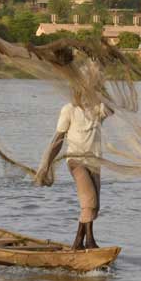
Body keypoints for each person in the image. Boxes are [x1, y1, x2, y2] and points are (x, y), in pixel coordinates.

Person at [45, 84, 111, 250]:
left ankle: (78, 242)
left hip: (94, 162)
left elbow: (112, 105)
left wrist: (100, 85)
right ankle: (89, 241)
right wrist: (47, 163)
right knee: (89, 201)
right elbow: (58, 139)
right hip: (75, 161)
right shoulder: (69, 110)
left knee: (94, 205)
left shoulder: (98, 109)